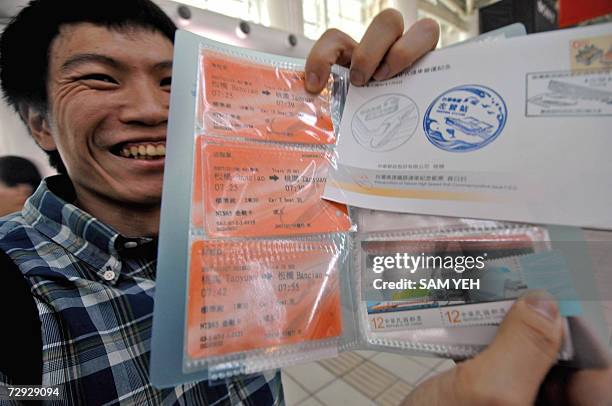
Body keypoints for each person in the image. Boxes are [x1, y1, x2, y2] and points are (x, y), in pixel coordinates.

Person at [0, 0, 610, 404]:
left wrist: (390, 115)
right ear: (41, 125)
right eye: (100, 78)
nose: (154, 109)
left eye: (170, 80)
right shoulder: (16, 292)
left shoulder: (257, 227)